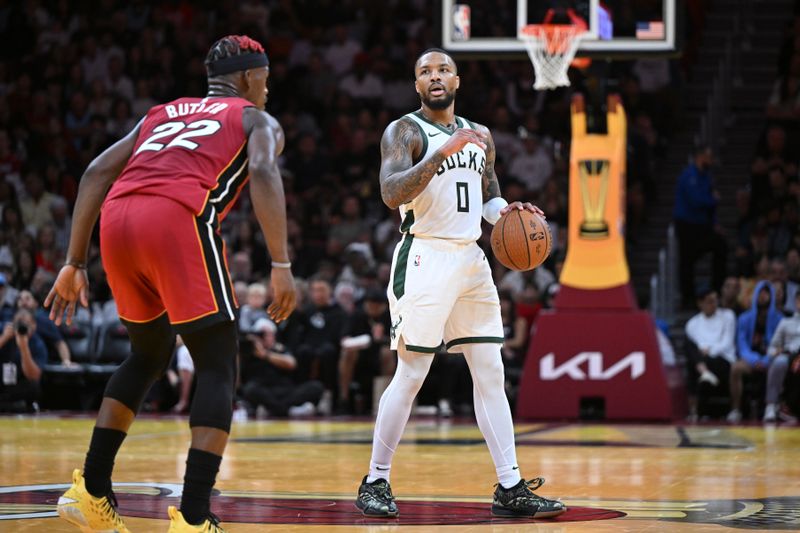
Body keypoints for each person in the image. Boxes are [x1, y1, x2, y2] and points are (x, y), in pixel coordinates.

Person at [46, 35, 296, 533]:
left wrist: (74, 261)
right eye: (265, 80)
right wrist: (281, 263)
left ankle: (91, 490)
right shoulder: (255, 119)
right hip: (176, 219)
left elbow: (96, 171)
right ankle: (195, 517)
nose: (267, 90)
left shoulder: (159, 114)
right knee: (218, 362)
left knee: (149, 354)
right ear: (249, 78)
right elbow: (265, 172)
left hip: (116, 221)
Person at [355, 48, 565, 519]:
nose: (435, 76)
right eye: (425, 71)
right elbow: (391, 193)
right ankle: (376, 479)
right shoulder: (405, 131)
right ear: (416, 85)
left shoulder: (481, 136)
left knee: (490, 369)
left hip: (472, 259)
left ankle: (510, 486)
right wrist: (438, 157)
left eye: (443, 69)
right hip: (426, 254)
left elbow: (487, 199)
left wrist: (509, 213)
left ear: (457, 79)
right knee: (411, 373)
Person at [673, 144, 728, 308]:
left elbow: (710, 206)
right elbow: (697, 201)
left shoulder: (706, 176)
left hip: (703, 226)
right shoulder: (689, 175)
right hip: (687, 225)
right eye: (708, 157)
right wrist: (713, 199)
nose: (711, 160)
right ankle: (688, 298)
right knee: (687, 261)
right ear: (700, 156)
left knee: (720, 245)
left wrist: (715, 223)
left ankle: (717, 289)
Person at [728, 281, 784, 423]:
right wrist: (754, 360)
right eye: (761, 292)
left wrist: (766, 360)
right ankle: (736, 409)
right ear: (755, 294)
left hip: (770, 359)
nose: (763, 296)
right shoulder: (744, 318)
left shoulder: (779, 319)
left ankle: (773, 407)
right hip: (750, 360)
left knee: (780, 364)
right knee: (735, 368)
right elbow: (741, 345)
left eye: (766, 292)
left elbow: (779, 345)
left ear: (771, 296)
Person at [683, 287, 736, 419]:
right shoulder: (692, 324)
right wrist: (703, 352)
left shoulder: (728, 315)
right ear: (700, 303)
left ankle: (697, 410)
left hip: (724, 358)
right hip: (703, 360)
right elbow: (696, 346)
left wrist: (710, 350)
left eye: (715, 301)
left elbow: (727, 342)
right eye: (709, 301)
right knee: (689, 347)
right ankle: (704, 373)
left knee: (696, 363)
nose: (714, 304)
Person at [0, 309, 48, 412]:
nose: (21, 327)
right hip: (1, 383)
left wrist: (24, 347)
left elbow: (34, 376)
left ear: (34, 326)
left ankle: (12, 406)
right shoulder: (3, 332)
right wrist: (3, 338)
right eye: (18, 323)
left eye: (26, 324)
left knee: (33, 386)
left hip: (18, 387)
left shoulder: (37, 343)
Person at [763, 290, 800, 423]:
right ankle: (771, 405)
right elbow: (771, 348)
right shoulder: (785, 322)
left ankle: (789, 407)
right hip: (788, 355)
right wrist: (775, 352)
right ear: (796, 302)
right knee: (779, 362)